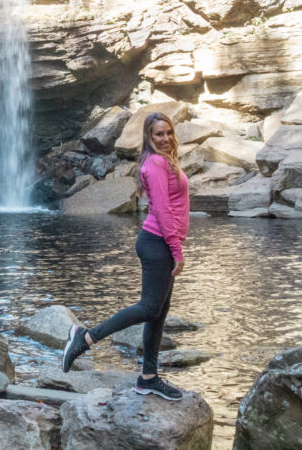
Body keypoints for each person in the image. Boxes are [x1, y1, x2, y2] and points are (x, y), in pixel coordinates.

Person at [61, 111, 190, 401]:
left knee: (157, 314)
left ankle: (148, 378)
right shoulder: (156, 164)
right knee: (148, 308)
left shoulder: (164, 160)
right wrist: (177, 250)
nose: (166, 138)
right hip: (158, 243)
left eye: (169, 132)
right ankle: (86, 337)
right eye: (159, 134)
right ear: (148, 137)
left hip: (161, 243)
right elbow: (164, 211)